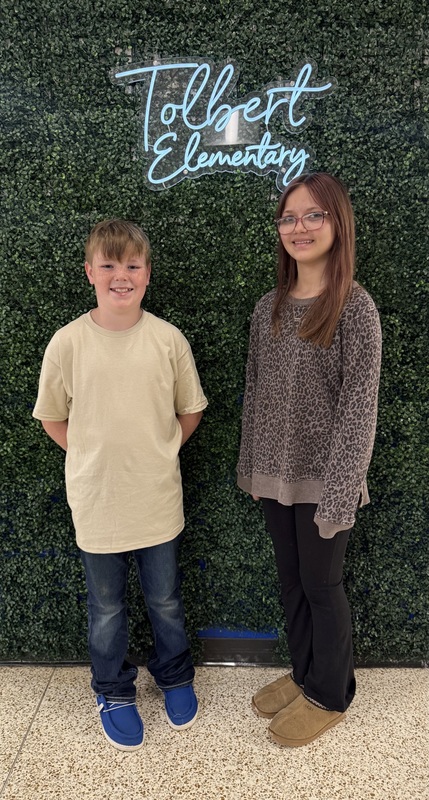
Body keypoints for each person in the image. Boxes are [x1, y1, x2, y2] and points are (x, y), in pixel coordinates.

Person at [33, 219, 207, 752]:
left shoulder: (167, 339)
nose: (120, 276)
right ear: (89, 272)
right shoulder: (66, 344)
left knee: (165, 600)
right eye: (108, 265)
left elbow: (190, 410)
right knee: (106, 607)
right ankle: (112, 690)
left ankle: (174, 675)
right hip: (97, 502)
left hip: (156, 499)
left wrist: (157, 452)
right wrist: (91, 458)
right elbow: (52, 419)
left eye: (132, 265)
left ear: (148, 274)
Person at [237, 172, 382, 747]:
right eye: (290, 217)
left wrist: (341, 494)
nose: (300, 227)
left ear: (336, 223)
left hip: (327, 482)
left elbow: (358, 410)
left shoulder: (355, 308)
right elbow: (256, 391)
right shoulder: (267, 307)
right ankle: (304, 675)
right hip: (275, 476)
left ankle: (331, 692)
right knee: (292, 582)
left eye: (313, 215)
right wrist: (251, 467)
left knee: (323, 586)